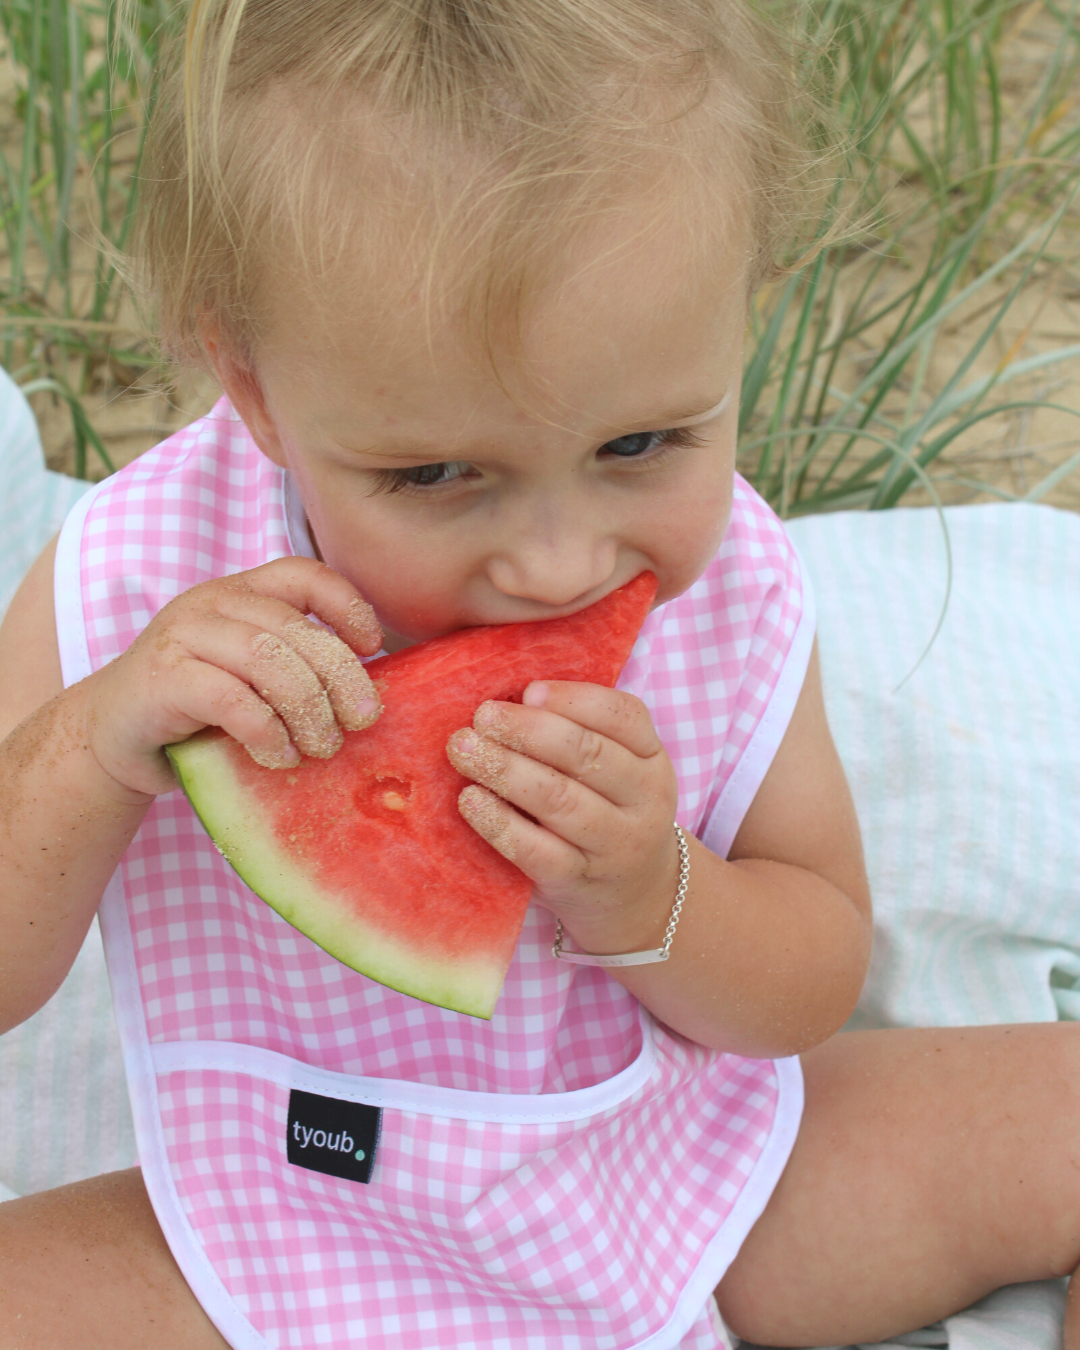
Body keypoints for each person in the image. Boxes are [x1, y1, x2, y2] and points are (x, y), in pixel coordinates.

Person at [1, 2, 1078, 1347]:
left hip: (669, 1178)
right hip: (276, 1209)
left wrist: (655, 892)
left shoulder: (728, 591)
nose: (558, 566)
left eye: (642, 442)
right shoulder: (135, 573)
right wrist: (98, 740)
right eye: (438, 475)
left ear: (737, 318)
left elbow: (812, 969)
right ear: (256, 383)